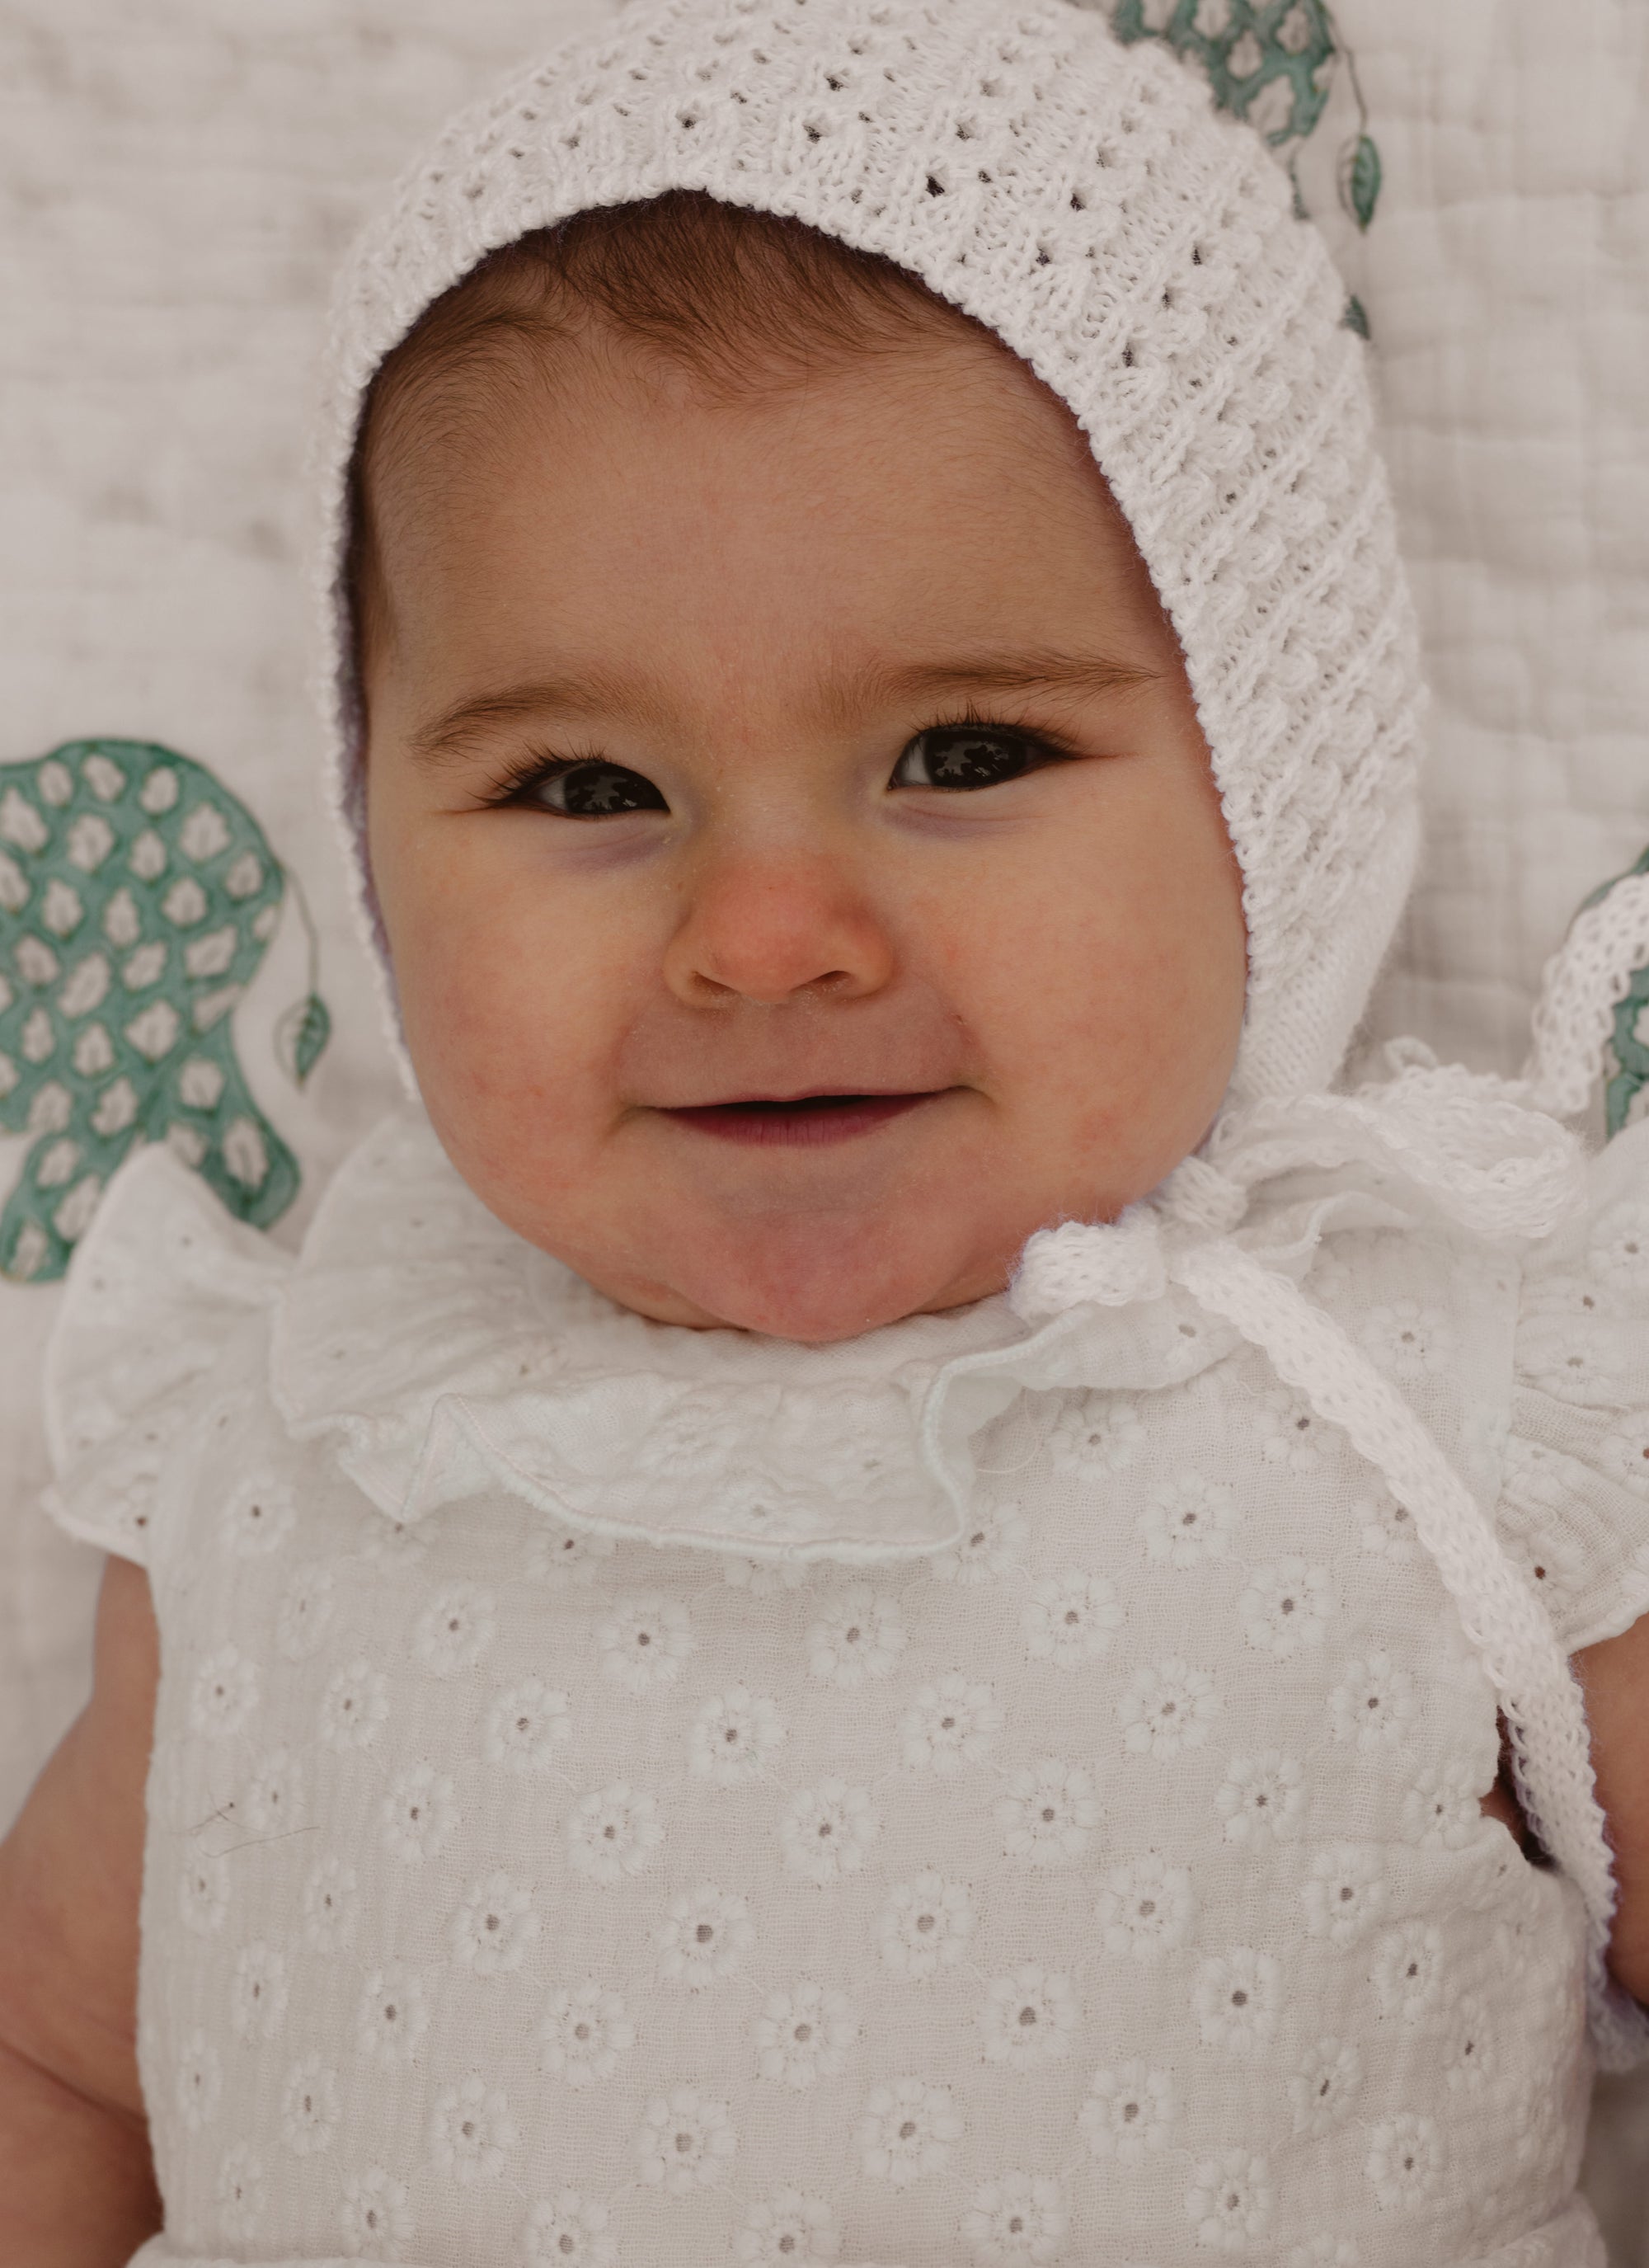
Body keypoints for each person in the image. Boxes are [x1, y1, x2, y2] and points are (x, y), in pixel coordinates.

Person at [2, 0, 1648, 2260]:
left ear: (1279, 792)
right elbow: (61, 2062)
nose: (766, 939)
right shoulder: (288, 1431)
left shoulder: (1448, 1419)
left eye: (963, 757)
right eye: (587, 786)